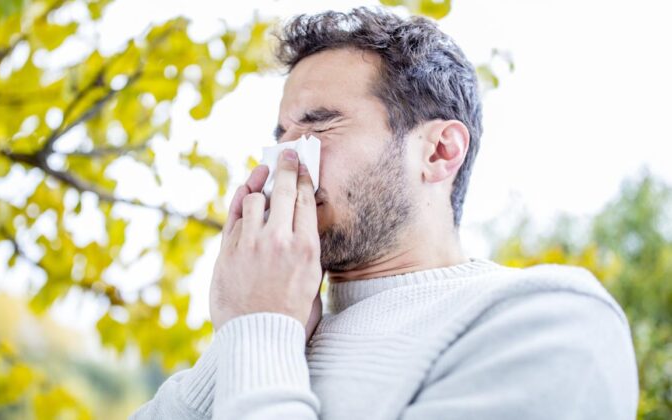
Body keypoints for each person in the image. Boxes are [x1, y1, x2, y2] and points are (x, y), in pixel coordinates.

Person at [131, 7, 638, 419]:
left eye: (319, 127)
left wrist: (260, 327)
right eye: (279, 138)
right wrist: (242, 337)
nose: (282, 163)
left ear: (439, 152)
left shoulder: (546, 322)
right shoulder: (280, 325)